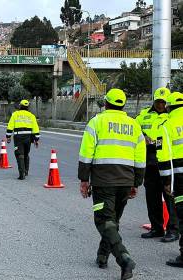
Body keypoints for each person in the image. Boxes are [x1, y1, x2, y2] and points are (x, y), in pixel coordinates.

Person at [78, 89, 146, 280]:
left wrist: (84, 180)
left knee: (104, 221)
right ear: (123, 105)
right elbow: (140, 159)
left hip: (103, 181)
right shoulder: (134, 125)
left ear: (106, 104)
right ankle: (102, 256)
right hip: (125, 181)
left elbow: (86, 153)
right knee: (113, 221)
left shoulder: (97, 122)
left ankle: (124, 258)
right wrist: (136, 183)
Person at [136, 87, 179, 242]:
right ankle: (156, 228)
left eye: (163, 102)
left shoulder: (172, 116)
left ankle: (173, 230)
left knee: (170, 196)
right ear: (154, 101)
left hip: (167, 161)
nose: (160, 105)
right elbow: (135, 130)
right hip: (150, 160)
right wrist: (143, 137)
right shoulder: (143, 116)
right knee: (152, 196)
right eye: (158, 102)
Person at [156, 92, 183, 268]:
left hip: (180, 178)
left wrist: (166, 182)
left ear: (168, 106)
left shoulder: (165, 125)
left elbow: (162, 155)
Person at [6, 100, 40, 180]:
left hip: (18, 137)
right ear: (28, 107)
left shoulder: (15, 114)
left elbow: (10, 126)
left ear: (20, 106)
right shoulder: (31, 116)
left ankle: (22, 174)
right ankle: (26, 171)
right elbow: (35, 128)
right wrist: (36, 139)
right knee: (26, 153)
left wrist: (8, 136)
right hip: (28, 138)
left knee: (19, 154)